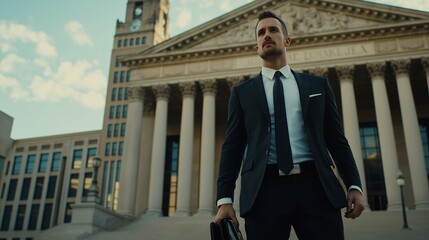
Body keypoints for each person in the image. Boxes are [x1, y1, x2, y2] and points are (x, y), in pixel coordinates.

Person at [214, 10, 364, 240]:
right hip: (264, 192)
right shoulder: (242, 94)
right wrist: (224, 199)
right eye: (261, 32)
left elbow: (337, 140)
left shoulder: (318, 86)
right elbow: (232, 148)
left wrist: (354, 184)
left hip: (316, 186)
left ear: (287, 40)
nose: (267, 35)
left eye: (273, 30)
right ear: (256, 47)